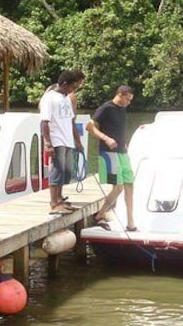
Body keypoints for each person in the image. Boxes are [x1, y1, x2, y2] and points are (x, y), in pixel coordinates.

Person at [87, 85, 136, 231]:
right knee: (118, 187)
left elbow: (118, 127)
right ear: (120, 95)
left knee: (130, 184)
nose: (129, 102)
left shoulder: (123, 109)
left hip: (122, 152)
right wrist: (106, 138)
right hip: (108, 152)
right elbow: (89, 126)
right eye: (127, 99)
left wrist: (124, 141)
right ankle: (99, 216)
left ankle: (130, 222)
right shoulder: (106, 108)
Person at [40, 70, 85, 214]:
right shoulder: (50, 98)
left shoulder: (66, 98)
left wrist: (77, 140)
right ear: (65, 84)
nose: (74, 89)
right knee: (57, 170)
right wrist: (48, 143)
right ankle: (54, 203)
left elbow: (71, 121)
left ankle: (60, 200)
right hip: (57, 139)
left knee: (66, 172)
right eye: (73, 86)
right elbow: (44, 121)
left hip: (67, 140)